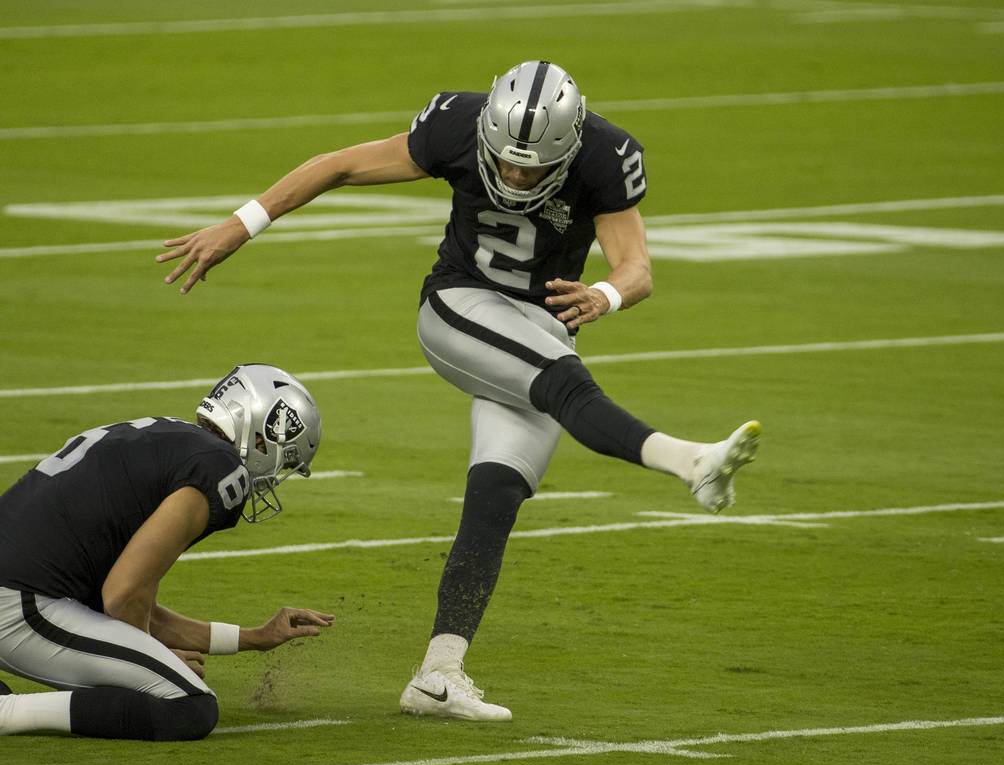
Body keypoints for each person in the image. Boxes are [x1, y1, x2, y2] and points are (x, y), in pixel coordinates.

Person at [155, 61, 759, 722]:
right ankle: (692, 463)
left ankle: (438, 674)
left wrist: (605, 295)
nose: (516, 177)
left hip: (538, 329)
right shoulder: (456, 124)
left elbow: (637, 268)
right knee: (565, 385)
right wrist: (238, 226)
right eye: (506, 162)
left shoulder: (605, 156)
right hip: (459, 308)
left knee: (495, 499)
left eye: (533, 169)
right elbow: (337, 166)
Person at [0, 364, 333, 740]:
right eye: (282, 458)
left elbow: (133, 602)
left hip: (26, 587)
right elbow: (124, 594)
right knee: (188, 706)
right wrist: (151, 656)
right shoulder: (222, 469)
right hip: (20, 603)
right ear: (262, 436)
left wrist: (253, 638)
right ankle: (7, 711)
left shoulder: (172, 437)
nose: (273, 476)